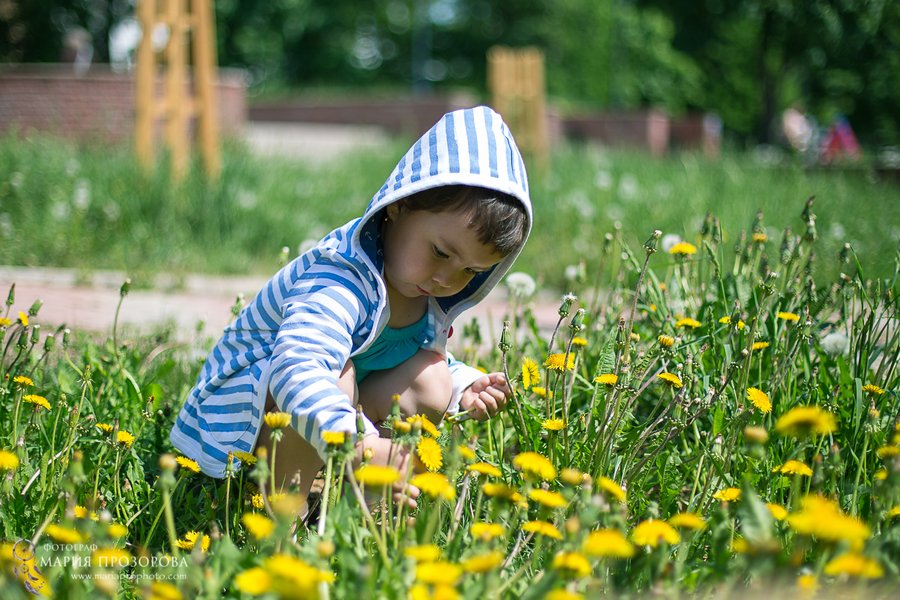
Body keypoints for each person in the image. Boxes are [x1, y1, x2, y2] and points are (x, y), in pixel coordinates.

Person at [169, 106, 532, 508]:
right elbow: (297, 369)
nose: (448, 278)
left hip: (328, 414)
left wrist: (465, 387)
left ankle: (355, 507)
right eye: (440, 252)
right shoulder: (340, 278)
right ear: (400, 205)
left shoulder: (425, 291)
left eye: (470, 270)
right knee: (335, 377)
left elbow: (393, 352)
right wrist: (357, 443)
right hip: (245, 416)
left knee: (432, 380)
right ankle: (285, 520)